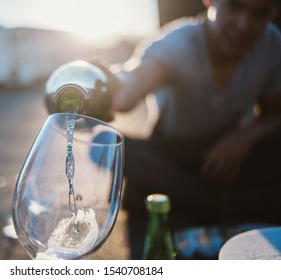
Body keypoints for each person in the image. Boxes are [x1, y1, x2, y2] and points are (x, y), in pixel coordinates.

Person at [97, 0, 281, 259]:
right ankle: (219, 207)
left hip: (223, 156)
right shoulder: (176, 43)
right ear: (210, 1)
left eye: (259, 14)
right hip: (171, 157)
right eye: (234, 7)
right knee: (111, 147)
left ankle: (202, 208)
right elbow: (131, 87)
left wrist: (245, 136)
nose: (243, 26)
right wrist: (113, 87)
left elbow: (275, 114)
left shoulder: (272, 44)